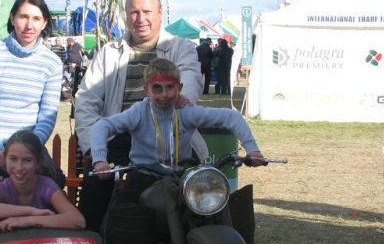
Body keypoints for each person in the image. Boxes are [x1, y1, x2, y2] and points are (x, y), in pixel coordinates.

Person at [74, 0, 202, 231]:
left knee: (201, 188)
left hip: (174, 134)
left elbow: (191, 79)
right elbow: (86, 101)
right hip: (121, 137)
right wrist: (93, 146)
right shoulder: (108, 54)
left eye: (147, 11)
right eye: (133, 12)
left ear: (160, 13)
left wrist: (181, 99)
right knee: (95, 188)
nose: (140, 19)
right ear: (125, 15)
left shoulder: (181, 48)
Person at [91, 58, 265, 194]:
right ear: (147, 90)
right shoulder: (139, 112)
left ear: (179, 88)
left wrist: (253, 150)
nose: (165, 94)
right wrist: (100, 160)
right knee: (123, 220)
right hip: (143, 175)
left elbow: (231, 117)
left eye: (170, 87)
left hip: (184, 176)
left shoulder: (186, 111)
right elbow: (102, 126)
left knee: (214, 210)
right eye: (157, 88)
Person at [0, 0, 64, 208]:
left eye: (36, 18)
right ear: (12, 18)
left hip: (28, 144)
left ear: (45, 22)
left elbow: (47, 115)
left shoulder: (52, 63)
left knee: (52, 178)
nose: (29, 25)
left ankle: (41, 235)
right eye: (23, 17)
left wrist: (28, 151)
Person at [0, 130, 85, 232]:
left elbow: (78, 221)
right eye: (13, 159)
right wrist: (30, 211)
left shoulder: (47, 187)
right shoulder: (2, 188)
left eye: (27, 160)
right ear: (5, 160)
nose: (19, 167)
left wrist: (26, 220)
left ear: (38, 163)